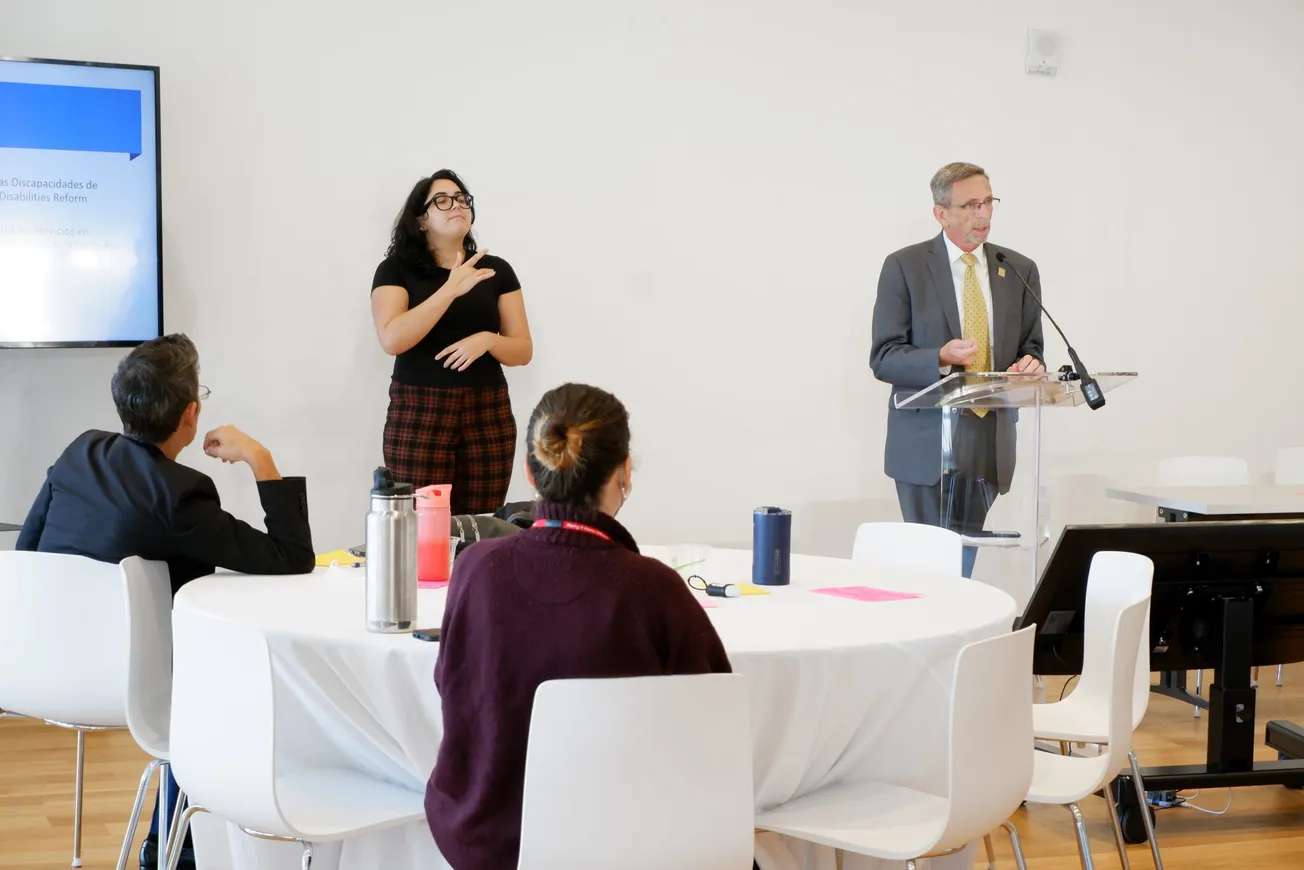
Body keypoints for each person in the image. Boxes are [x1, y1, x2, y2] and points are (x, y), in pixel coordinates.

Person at [16, 332, 315, 870]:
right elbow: (291, 556)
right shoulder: (180, 493)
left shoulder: (79, 452)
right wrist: (259, 457)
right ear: (191, 413)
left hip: (40, 671)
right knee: (217, 675)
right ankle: (174, 849)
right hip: (135, 691)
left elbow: (28, 551)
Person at [426, 383, 732, 870]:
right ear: (624, 473)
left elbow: (450, 684)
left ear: (530, 472)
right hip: (626, 848)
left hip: (486, 843)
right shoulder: (654, 588)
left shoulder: (476, 568)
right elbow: (715, 721)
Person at [870, 162, 1045, 578]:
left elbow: (1031, 347)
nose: (983, 214)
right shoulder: (905, 267)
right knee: (929, 571)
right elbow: (884, 356)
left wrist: (1028, 365)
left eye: (988, 202)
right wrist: (941, 357)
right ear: (941, 213)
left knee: (962, 571)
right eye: (970, 205)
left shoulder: (1017, 269)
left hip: (989, 441)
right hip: (926, 442)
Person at [370, 169, 533, 515]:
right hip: (419, 410)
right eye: (442, 201)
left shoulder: (495, 271)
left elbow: (522, 350)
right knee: (421, 524)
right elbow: (392, 339)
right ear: (421, 220)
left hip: (488, 410)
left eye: (461, 199)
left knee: (482, 525)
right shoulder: (395, 270)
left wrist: (487, 340)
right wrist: (450, 289)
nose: (456, 205)